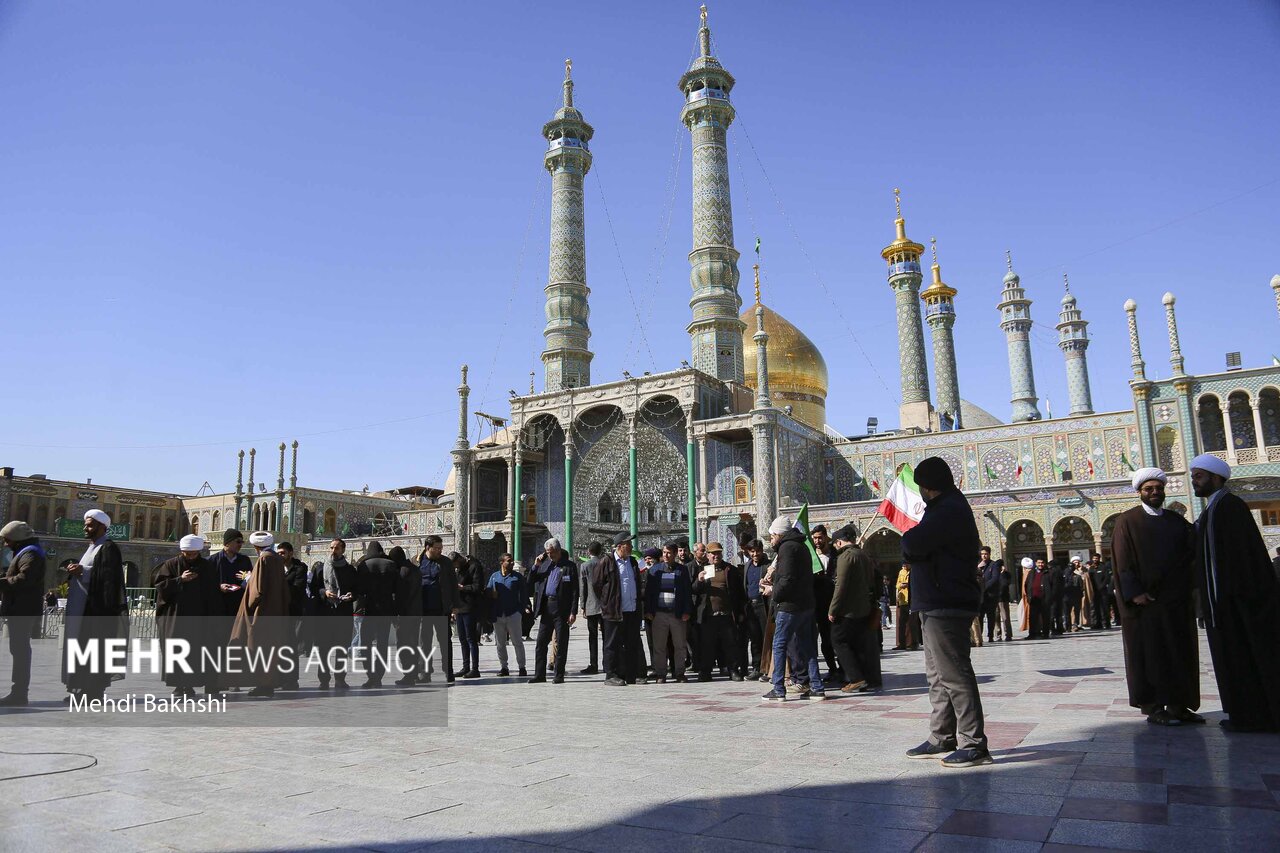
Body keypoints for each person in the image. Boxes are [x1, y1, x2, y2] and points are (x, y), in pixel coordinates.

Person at [901, 456, 991, 768]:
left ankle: (973, 742)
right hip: (936, 601)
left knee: (954, 673)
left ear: (929, 486)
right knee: (938, 675)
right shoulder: (944, 509)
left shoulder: (948, 510)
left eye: (922, 486)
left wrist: (909, 538)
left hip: (946, 601)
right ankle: (942, 735)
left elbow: (912, 544)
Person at [1190, 454, 1280, 732]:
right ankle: (1243, 713)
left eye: (1200, 476)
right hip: (1225, 602)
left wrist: (1230, 598)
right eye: (1193, 476)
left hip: (1237, 602)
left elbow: (1239, 559)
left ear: (1216, 478)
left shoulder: (1229, 507)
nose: (1194, 481)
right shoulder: (1214, 508)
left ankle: (1254, 716)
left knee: (1244, 658)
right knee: (1233, 658)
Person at [1111, 467, 1200, 727]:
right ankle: (1153, 706)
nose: (1154, 493)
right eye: (1149, 489)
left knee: (1178, 652)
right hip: (1146, 604)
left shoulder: (1175, 521)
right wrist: (1135, 592)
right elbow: (1122, 561)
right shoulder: (1127, 521)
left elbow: (1189, 556)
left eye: (1158, 489)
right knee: (1150, 654)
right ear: (1139, 492)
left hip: (1174, 601)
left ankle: (1178, 705)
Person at [762, 515, 827, 702]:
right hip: (806, 605)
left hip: (789, 606)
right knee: (808, 647)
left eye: (772, 536)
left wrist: (773, 591)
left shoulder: (787, 548)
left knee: (780, 644)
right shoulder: (803, 547)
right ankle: (817, 687)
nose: (772, 540)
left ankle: (778, 689)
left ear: (779, 534)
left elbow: (788, 579)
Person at [64, 509, 127, 703]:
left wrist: (84, 570)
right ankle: (81, 688)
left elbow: (110, 577)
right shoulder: (92, 548)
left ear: (102, 527)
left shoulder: (108, 548)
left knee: (95, 652)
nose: (86, 528)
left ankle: (94, 692)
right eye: (86, 524)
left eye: (90, 525)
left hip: (98, 612)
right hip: (85, 610)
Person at [151, 534, 221, 699]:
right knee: (176, 650)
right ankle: (178, 684)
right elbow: (160, 586)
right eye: (187, 553)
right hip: (176, 617)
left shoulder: (207, 566)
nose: (190, 557)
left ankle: (189, 685)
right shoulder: (171, 564)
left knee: (195, 652)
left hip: (199, 618)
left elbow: (212, 592)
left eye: (193, 554)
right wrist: (179, 580)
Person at [227, 531, 291, 698]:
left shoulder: (264, 559)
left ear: (255, 546)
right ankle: (268, 683)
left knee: (257, 648)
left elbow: (258, 589)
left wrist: (248, 606)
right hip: (275, 611)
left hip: (261, 613)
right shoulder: (277, 558)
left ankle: (263, 684)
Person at [829, 523, 880, 693]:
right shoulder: (863, 555)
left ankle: (856, 678)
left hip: (849, 610)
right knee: (858, 644)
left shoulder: (846, 556)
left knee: (838, 640)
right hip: (864, 608)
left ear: (839, 542)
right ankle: (867, 678)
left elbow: (841, 586)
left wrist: (833, 609)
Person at [0, 521, 45, 706]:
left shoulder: (31, 553)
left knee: (20, 651)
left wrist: (1, 582)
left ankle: (19, 693)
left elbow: (24, 579)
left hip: (23, 609)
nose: (6, 544)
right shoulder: (27, 551)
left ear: (17, 538)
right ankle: (18, 691)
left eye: (8, 540)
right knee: (18, 650)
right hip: (20, 608)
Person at [593, 531, 644, 686]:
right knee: (612, 644)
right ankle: (611, 674)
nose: (631, 546)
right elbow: (597, 585)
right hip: (614, 611)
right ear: (620, 546)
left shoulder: (632, 562)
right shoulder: (606, 562)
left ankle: (630, 674)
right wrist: (607, 603)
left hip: (631, 610)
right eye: (628, 544)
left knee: (631, 643)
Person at [691, 542, 745, 682]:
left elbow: (738, 593)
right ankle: (705, 671)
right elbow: (694, 591)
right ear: (707, 555)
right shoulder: (703, 570)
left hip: (726, 615)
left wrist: (739, 613)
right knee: (707, 645)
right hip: (708, 616)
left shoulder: (729, 570)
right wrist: (699, 580)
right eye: (713, 553)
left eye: (718, 553)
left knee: (730, 645)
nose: (716, 556)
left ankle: (733, 670)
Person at [528, 538, 578, 684]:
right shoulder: (545, 565)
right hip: (546, 608)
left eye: (552, 552)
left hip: (561, 608)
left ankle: (559, 674)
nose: (550, 555)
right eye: (548, 553)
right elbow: (531, 581)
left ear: (558, 550)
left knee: (561, 643)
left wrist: (573, 611)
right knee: (541, 643)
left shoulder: (569, 566)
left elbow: (575, 590)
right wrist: (535, 566)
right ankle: (539, 674)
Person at [411, 536, 458, 684]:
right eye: (436, 548)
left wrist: (455, 606)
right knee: (424, 643)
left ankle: (448, 672)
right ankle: (425, 673)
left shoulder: (445, 563)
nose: (439, 550)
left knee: (445, 642)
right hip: (423, 610)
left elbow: (453, 584)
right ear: (427, 547)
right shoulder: (417, 561)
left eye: (440, 548)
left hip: (441, 609)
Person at [645, 542, 693, 683]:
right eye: (664, 552)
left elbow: (686, 592)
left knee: (679, 645)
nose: (666, 555)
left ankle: (679, 672)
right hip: (659, 614)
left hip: (677, 614)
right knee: (659, 646)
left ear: (675, 554)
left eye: (669, 553)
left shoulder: (682, 570)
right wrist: (648, 611)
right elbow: (649, 593)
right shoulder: (655, 570)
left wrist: (686, 611)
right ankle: (661, 673)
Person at [355, 541, 397, 688]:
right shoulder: (391, 564)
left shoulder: (363, 565)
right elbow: (395, 589)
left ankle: (371, 675)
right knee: (382, 644)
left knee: (365, 643)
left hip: (369, 610)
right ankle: (379, 675)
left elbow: (359, 590)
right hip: (386, 610)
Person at [320, 537, 357, 689]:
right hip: (326, 613)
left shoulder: (349, 570)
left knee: (342, 648)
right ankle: (323, 679)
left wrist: (351, 595)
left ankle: (340, 678)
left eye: (336, 548)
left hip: (343, 613)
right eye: (331, 548)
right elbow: (315, 588)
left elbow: (357, 589)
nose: (333, 551)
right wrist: (325, 592)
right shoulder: (321, 568)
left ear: (343, 550)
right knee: (324, 648)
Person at [209, 529, 252, 655]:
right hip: (219, 608)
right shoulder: (212, 561)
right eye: (237, 542)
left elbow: (251, 579)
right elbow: (205, 584)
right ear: (227, 543)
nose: (240, 545)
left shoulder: (244, 561)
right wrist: (219, 587)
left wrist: (246, 582)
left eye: (241, 542)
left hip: (238, 607)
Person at [486, 553, 529, 677]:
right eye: (509, 561)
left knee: (517, 642)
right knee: (500, 643)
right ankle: (504, 667)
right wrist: (490, 594)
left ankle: (522, 667)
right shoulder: (494, 577)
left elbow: (524, 594)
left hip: (513, 614)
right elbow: (488, 591)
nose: (511, 563)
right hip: (498, 614)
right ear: (502, 563)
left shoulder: (517, 577)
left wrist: (520, 610)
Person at [277, 541, 310, 690]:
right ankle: (279, 678)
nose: (280, 556)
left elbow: (297, 588)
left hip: (294, 613)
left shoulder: (300, 568)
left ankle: (291, 680)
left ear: (290, 553)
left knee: (291, 647)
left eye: (283, 553)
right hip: (279, 613)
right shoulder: (276, 568)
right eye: (278, 553)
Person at [810, 525, 840, 683]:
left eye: (820, 538)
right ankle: (832, 669)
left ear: (826, 537)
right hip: (818, 604)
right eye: (814, 538)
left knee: (837, 639)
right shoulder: (811, 557)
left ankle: (843, 669)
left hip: (834, 603)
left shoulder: (836, 555)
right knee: (825, 640)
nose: (817, 541)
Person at [453, 553, 485, 679]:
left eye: (455, 564)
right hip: (460, 607)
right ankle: (466, 667)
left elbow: (478, 587)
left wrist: (463, 588)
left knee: (471, 639)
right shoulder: (459, 570)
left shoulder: (474, 566)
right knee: (462, 639)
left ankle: (475, 668)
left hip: (470, 607)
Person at [741, 539, 769, 680]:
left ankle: (768, 669)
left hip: (763, 606)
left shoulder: (768, 566)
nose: (755, 554)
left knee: (766, 638)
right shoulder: (747, 566)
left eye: (757, 551)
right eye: (752, 551)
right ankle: (757, 668)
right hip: (751, 607)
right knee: (755, 639)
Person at [578, 541, 605, 675]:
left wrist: (582, 605)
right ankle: (608, 664)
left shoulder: (585, 565)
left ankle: (593, 664)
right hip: (605, 606)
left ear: (588, 551)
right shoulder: (604, 563)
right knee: (607, 636)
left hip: (591, 605)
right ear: (600, 552)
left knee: (592, 636)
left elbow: (582, 587)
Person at [978, 547, 1002, 643]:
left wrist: (984, 587)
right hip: (981, 597)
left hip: (990, 596)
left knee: (991, 617)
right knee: (980, 616)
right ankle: (979, 636)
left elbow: (995, 578)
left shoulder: (994, 565)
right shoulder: (979, 565)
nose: (984, 556)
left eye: (986, 554)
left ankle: (991, 636)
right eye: (982, 554)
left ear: (989, 554)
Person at [893, 563, 919, 651]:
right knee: (901, 624)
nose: (904, 566)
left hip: (912, 601)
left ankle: (914, 643)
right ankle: (901, 643)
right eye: (903, 565)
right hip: (903, 601)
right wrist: (901, 585)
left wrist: (909, 585)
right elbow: (897, 585)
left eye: (906, 565)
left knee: (912, 624)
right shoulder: (901, 572)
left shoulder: (914, 572)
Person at [1023, 558, 1050, 639]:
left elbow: (1052, 585)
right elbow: (1027, 584)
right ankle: (1032, 633)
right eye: (1039, 563)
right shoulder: (1032, 573)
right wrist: (1029, 596)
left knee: (1045, 617)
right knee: (1033, 617)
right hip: (1034, 599)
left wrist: (1049, 596)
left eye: (1042, 563)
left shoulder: (1047, 573)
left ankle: (1045, 633)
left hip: (1044, 599)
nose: (1040, 564)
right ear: (1035, 563)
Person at [1087, 554, 1112, 630]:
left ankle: (1107, 623)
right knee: (1096, 608)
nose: (1095, 560)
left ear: (1099, 559)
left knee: (1105, 608)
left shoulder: (1103, 567)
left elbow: (1107, 578)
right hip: (1094, 592)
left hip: (1102, 591)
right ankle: (1098, 624)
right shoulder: (1091, 568)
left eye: (1096, 558)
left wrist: (1102, 586)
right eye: (1094, 558)